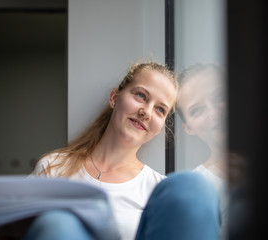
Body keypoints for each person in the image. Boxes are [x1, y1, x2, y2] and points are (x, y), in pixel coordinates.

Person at [23, 61, 220, 240]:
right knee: (59, 224)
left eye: (160, 109)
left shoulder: (159, 190)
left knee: (192, 185)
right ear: (114, 98)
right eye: (141, 96)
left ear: (161, 126)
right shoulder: (54, 166)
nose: (147, 112)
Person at [176, 63, 228, 239]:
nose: (213, 112)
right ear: (188, 127)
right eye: (197, 110)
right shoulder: (196, 191)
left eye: (220, 96)